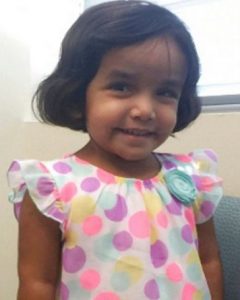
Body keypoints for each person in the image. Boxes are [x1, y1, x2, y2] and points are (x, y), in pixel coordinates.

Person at [7, 1, 224, 299]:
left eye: (165, 92)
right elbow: (37, 283)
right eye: (122, 86)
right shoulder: (52, 189)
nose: (145, 110)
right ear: (78, 91)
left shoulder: (192, 178)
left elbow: (208, 261)